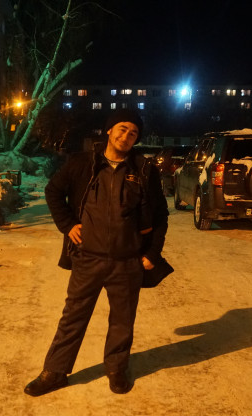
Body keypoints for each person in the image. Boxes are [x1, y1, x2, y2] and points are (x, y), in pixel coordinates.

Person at [24, 109, 169, 396]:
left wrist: (152, 253)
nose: (127, 136)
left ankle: (116, 369)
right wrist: (67, 225)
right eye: (122, 128)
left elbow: (161, 215)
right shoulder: (82, 163)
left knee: (122, 322)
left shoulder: (143, 170)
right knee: (73, 317)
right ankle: (55, 372)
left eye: (133, 133)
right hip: (87, 259)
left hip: (127, 261)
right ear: (109, 130)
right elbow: (53, 192)